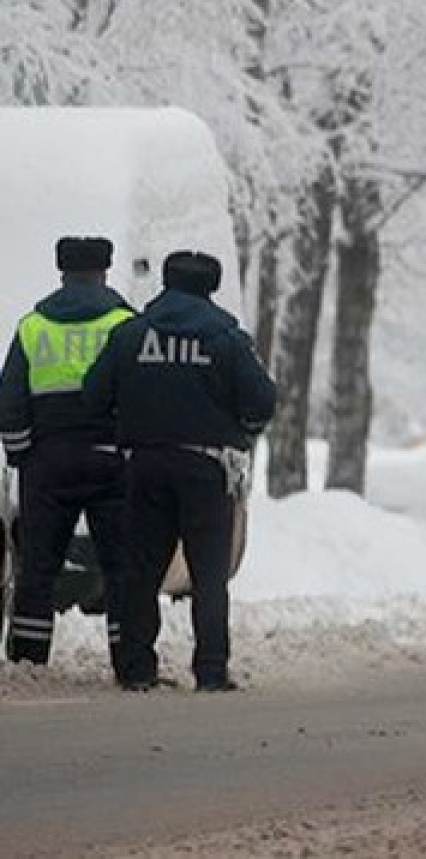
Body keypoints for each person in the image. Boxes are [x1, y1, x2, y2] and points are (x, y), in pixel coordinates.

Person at [85, 250, 275, 692]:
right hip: (206, 469)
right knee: (208, 575)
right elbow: (261, 401)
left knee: (141, 571)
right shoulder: (227, 339)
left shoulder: (129, 335)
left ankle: (135, 669)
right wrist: (241, 430)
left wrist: (129, 425)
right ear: (210, 287)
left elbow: (94, 396)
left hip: (144, 465)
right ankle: (210, 670)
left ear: (166, 284)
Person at [0, 237, 137, 678]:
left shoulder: (33, 327)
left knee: (38, 566)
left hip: (48, 462)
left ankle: (28, 660)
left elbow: (10, 399)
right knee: (119, 565)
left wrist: (21, 452)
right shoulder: (124, 324)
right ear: (105, 270)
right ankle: (128, 660)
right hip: (109, 459)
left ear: (62, 271)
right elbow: (142, 394)